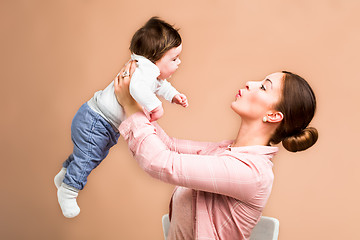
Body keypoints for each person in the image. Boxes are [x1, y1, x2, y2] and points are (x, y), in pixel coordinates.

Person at [114, 62, 318, 239]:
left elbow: (162, 162)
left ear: (273, 116)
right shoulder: (226, 151)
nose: (250, 83)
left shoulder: (252, 172)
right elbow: (169, 147)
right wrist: (136, 100)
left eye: (264, 87)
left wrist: (131, 107)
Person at [54, 17, 188, 218]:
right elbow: (137, 88)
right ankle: (68, 191)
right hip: (95, 121)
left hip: (100, 121)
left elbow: (161, 85)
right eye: (174, 58)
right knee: (89, 155)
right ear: (155, 57)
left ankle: (66, 174)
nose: (179, 62)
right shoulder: (145, 70)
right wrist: (156, 106)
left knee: (91, 154)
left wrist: (173, 95)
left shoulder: (148, 69)